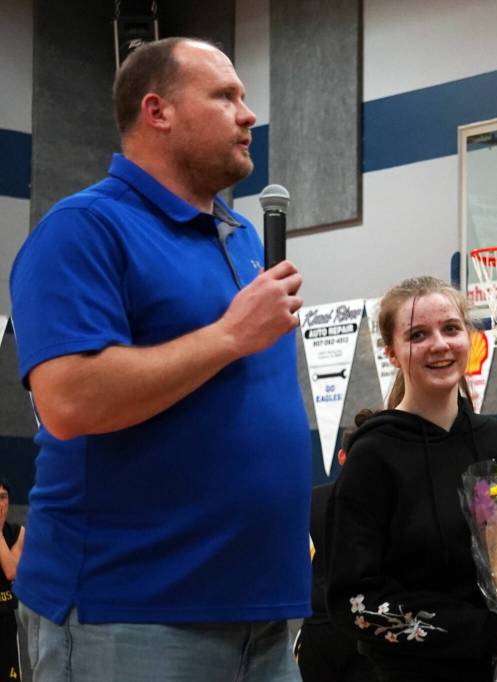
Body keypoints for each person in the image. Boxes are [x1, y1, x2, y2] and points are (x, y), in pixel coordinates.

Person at [9, 37, 310, 681]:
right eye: (225, 96)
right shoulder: (84, 228)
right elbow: (68, 401)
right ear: (158, 111)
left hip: (263, 614)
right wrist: (230, 334)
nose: (248, 114)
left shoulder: (242, 237)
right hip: (130, 612)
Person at [324, 276, 497, 682]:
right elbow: (353, 601)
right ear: (392, 353)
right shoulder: (374, 456)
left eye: (451, 328)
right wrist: (483, 632)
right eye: (418, 335)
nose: (439, 344)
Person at [295, 448, 374, 682]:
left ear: (342, 456)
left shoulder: (312, 499)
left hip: (323, 621)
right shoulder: (381, 502)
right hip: (361, 621)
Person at [0, 480, 24, 680]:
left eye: (2, 497)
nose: (0, 504)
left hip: (6, 618)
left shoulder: (18, 533)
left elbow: (12, 571)